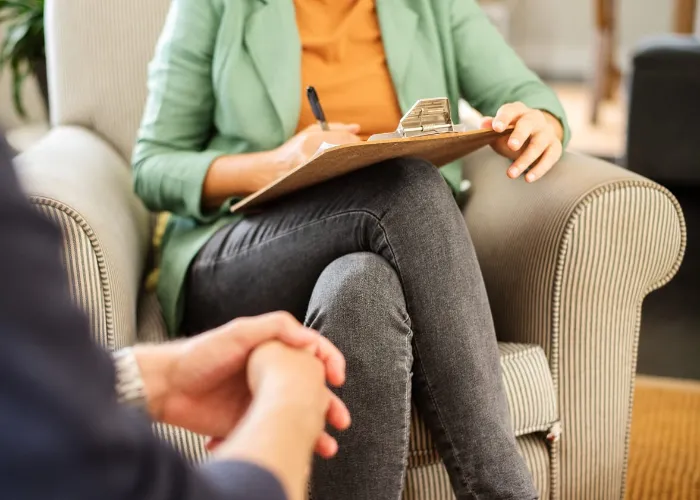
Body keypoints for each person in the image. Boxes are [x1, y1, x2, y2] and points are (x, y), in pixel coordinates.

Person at [133, 0, 571, 498]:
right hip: (243, 252)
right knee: (408, 185)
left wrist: (539, 121)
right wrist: (277, 162)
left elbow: (524, 95)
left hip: (380, 248)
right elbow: (152, 165)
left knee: (361, 288)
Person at [0, 132, 351, 500]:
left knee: (358, 281)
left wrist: (157, 378)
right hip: (235, 237)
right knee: (401, 189)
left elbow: (33, 402)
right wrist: (291, 399)